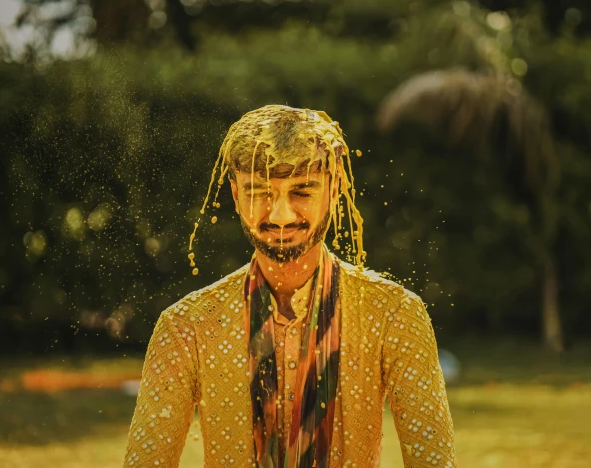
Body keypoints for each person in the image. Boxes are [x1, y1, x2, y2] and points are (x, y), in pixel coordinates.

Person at [122, 105, 457, 468]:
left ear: (334, 188)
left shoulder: (394, 313)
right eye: (260, 191)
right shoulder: (186, 327)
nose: (280, 215)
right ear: (235, 194)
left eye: (302, 190)